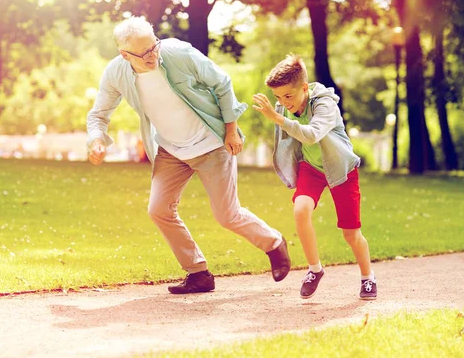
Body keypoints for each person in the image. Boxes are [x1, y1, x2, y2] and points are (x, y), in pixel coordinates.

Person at [87, 17, 291, 294]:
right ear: (125, 55)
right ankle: (198, 274)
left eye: (153, 46)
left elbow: (222, 83)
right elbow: (99, 115)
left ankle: (274, 243)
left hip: (211, 144)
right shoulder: (116, 73)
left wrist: (231, 130)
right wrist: (96, 140)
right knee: (159, 210)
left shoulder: (178, 53)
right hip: (172, 150)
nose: (152, 55)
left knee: (227, 215)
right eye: (144, 53)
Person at [252, 54, 377, 300]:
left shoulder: (324, 105)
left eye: (288, 96)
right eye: (278, 97)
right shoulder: (283, 107)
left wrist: (277, 118)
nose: (283, 102)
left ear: (305, 88)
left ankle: (368, 278)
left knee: (351, 234)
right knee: (300, 210)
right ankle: (314, 270)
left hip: (341, 169)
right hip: (312, 167)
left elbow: (311, 135)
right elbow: (289, 141)